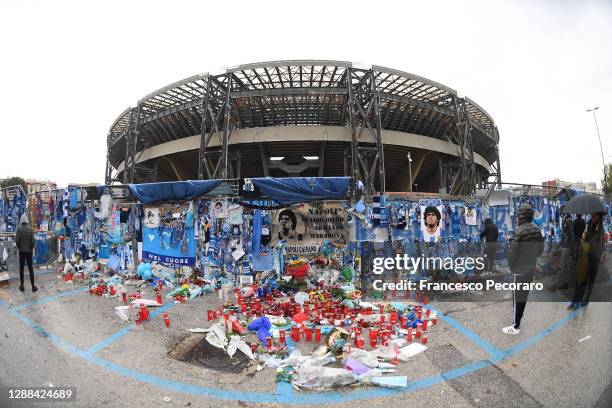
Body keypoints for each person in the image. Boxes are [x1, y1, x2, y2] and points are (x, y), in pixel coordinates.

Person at [503, 204, 544, 334]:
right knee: (523, 296)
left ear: (521, 216)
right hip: (530, 269)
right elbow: (540, 250)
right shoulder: (537, 230)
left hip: (520, 270)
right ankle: (518, 319)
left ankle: (515, 326)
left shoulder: (519, 231)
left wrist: (512, 266)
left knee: (517, 297)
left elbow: (512, 253)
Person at [568, 212, 605, 309]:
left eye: (595, 215)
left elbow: (600, 245)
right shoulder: (589, 224)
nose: (592, 216)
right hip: (585, 255)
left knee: (590, 280)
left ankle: (586, 299)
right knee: (582, 279)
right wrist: (584, 238)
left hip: (594, 258)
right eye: (592, 215)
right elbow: (586, 239)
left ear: (599, 217)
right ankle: (577, 299)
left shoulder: (601, 229)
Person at [549, 214, 576, 291]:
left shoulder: (569, 220)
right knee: (567, 267)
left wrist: (572, 248)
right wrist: (557, 247)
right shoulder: (566, 222)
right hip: (565, 247)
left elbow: (572, 235)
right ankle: (567, 283)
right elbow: (563, 238)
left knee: (561, 267)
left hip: (567, 248)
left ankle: (557, 285)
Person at [15, 214, 37, 292]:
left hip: (22, 251)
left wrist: (19, 247)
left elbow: (17, 240)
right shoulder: (30, 229)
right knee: (31, 269)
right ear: (27, 220)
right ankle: (33, 287)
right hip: (29, 252)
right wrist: (30, 248)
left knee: (21, 269)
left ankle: (22, 286)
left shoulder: (19, 229)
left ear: (21, 220)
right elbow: (33, 241)